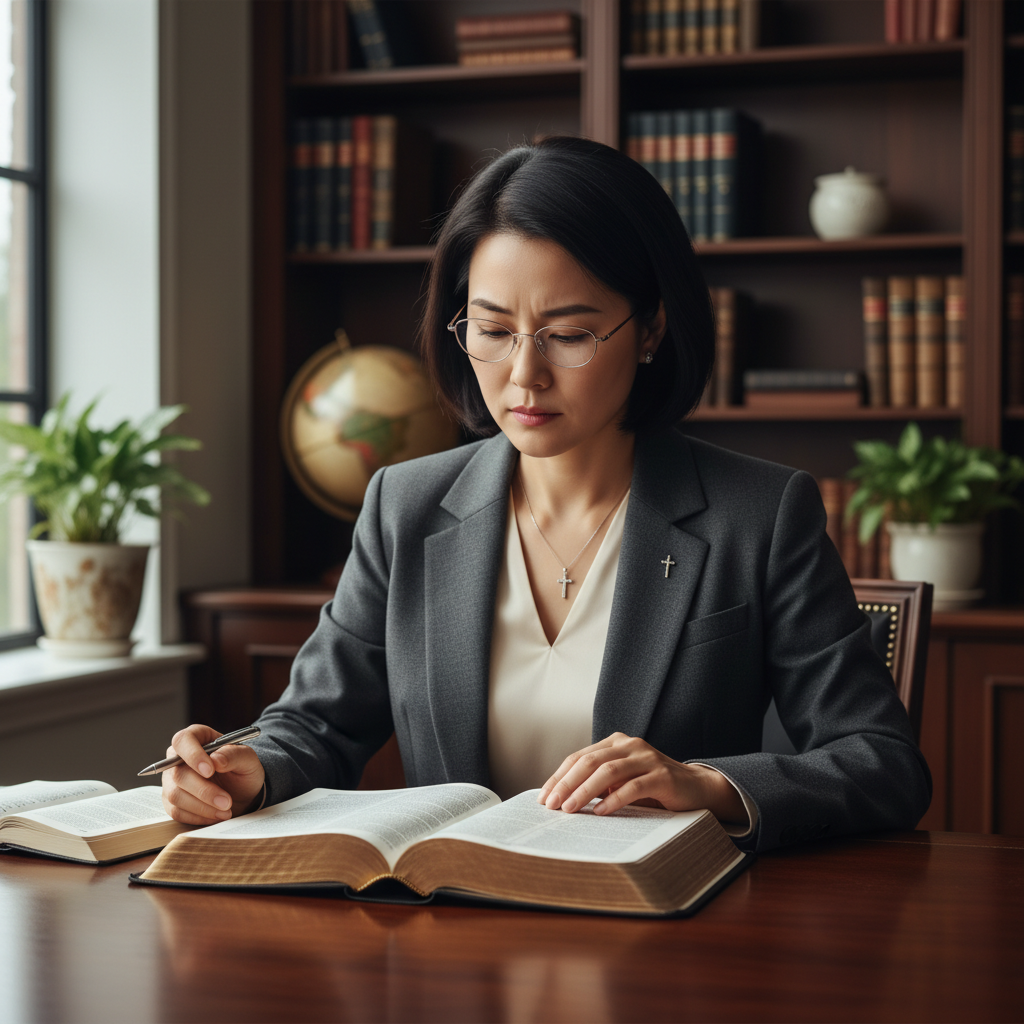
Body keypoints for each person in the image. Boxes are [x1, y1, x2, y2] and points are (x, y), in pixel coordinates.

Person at [162, 136, 930, 851]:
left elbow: (883, 763)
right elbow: (316, 724)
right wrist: (244, 769)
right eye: (492, 330)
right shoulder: (406, 505)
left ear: (652, 330)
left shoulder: (757, 515)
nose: (524, 375)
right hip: (454, 936)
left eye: (568, 335)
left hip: (665, 942)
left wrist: (708, 785)